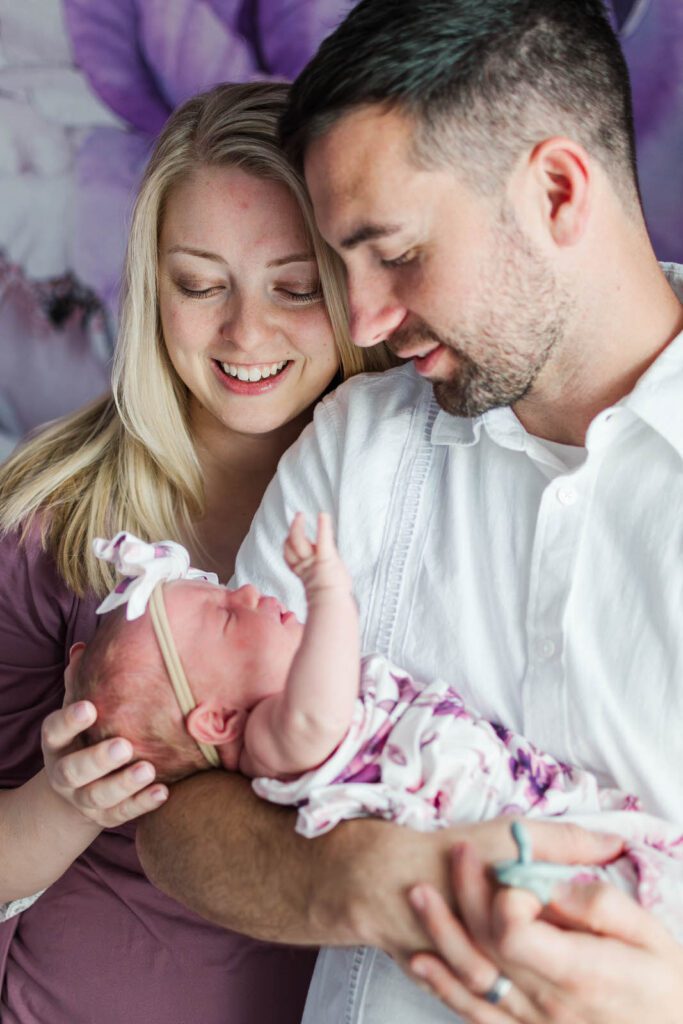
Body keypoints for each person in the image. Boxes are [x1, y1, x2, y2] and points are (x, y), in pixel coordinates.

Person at [130, 1, 683, 1023]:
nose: (365, 320)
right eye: (341, 268)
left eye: (394, 254)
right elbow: (179, 812)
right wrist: (356, 881)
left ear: (556, 190)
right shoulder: (359, 437)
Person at [0, 81, 392, 1024]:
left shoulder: (420, 488)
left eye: (294, 288)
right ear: (148, 286)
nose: (245, 334)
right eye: (200, 284)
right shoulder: (57, 521)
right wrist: (64, 803)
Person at [72, 525, 683, 948]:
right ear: (217, 721)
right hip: (506, 853)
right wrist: (329, 593)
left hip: (534, 806)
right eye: (229, 614)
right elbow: (320, 712)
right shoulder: (273, 744)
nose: (253, 592)